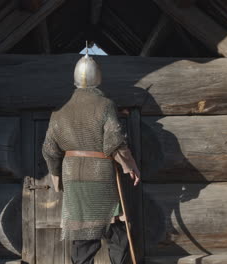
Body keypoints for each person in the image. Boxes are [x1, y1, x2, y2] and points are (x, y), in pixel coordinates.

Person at [42, 50, 141, 264]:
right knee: (117, 231)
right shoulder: (105, 105)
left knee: (82, 235)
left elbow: (49, 150)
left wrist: (57, 179)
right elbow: (114, 141)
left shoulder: (59, 112)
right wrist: (130, 166)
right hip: (99, 176)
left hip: (73, 179)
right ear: (98, 77)